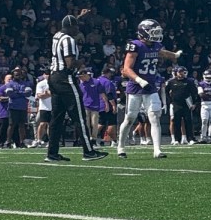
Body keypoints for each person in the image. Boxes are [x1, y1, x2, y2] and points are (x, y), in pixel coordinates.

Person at [116, 18, 182, 159]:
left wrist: (175, 55)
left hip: (150, 87)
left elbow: (163, 53)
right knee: (130, 118)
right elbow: (126, 69)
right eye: (153, 32)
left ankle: (157, 150)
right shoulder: (135, 46)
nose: (156, 35)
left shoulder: (156, 45)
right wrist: (139, 80)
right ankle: (121, 147)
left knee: (154, 117)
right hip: (135, 87)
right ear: (144, 32)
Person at [47, 11, 106, 162]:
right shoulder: (69, 40)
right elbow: (70, 63)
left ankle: (52, 153)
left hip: (54, 77)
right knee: (79, 116)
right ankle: (89, 151)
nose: (78, 30)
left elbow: (66, 25)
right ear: (71, 27)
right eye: (76, 26)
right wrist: (83, 61)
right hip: (66, 79)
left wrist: (78, 17)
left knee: (56, 118)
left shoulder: (57, 36)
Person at [165, 65, 199, 145]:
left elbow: (194, 93)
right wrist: (170, 101)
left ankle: (190, 138)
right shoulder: (171, 82)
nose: (181, 74)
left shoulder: (189, 81)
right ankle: (177, 139)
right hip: (176, 104)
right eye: (179, 72)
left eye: (182, 72)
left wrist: (194, 103)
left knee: (188, 122)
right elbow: (166, 92)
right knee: (176, 122)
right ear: (176, 73)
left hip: (186, 104)